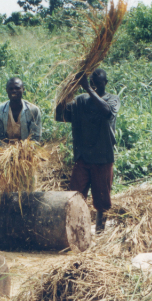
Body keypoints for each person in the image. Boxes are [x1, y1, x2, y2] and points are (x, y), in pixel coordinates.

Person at [55, 68, 120, 233]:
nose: (95, 86)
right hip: (83, 158)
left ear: (105, 83)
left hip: (103, 157)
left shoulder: (112, 100)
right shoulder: (81, 101)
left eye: (99, 83)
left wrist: (88, 89)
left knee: (102, 200)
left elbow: (106, 112)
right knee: (74, 196)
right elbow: (60, 116)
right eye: (92, 83)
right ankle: (76, 230)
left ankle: (99, 231)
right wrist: (66, 92)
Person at [0, 77, 42, 144]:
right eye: (11, 89)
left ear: (23, 90)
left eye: (17, 88)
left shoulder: (33, 111)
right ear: (7, 90)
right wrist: (8, 152)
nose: (14, 91)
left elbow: (35, 137)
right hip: (5, 150)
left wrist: (25, 151)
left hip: (27, 149)